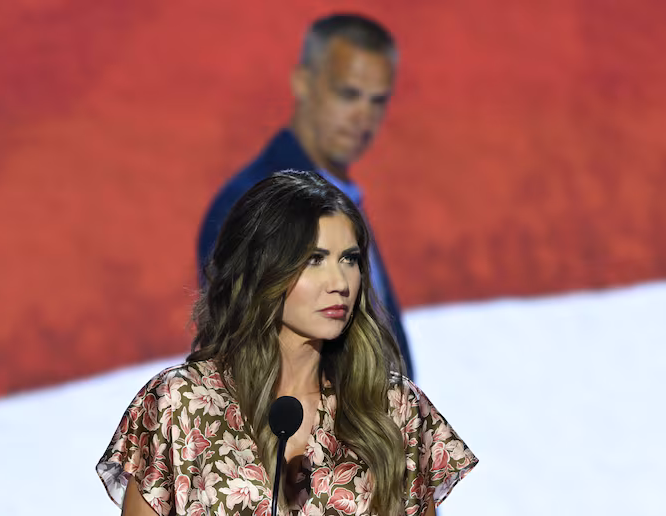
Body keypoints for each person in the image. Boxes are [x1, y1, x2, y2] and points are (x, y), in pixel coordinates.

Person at [98, 171, 477, 516]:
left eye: (349, 259)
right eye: (314, 260)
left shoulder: (395, 410)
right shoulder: (180, 405)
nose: (340, 283)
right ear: (262, 269)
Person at [198, 13, 415, 380]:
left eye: (377, 100)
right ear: (303, 82)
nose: (363, 116)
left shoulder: (341, 198)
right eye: (348, 94)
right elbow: (243, 353)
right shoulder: (250, 201)